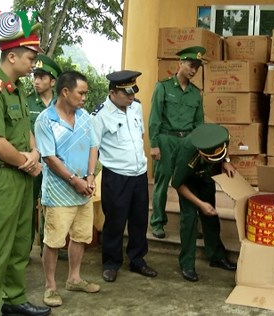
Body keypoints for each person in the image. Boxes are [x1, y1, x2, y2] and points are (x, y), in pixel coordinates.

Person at [0, 23, 51, 316]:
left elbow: (25, 131)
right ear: (12, 57)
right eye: (30, 58)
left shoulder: (15, 89)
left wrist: (33, 153)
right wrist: (28, 162)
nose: (33, 64)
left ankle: (14, 300)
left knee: (20, 245)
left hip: (20, 177)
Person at [35, 70, 100, 307]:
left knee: (81, 236)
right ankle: (50, 287)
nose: (84, 98)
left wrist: (91, 176)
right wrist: (75, 180)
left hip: (84, 191)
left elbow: (93, 146)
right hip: (59, 194)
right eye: (80, 93)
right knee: (53, 241)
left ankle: (74, 278)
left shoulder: (85, 117)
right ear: (65, 92)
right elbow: (50, 158)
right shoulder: (45, 119)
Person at [91, 70, 157, 282]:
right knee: (115, 221)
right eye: (127, 92)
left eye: (133, 91)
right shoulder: (100, 115)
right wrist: (90, 175)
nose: (131, 96)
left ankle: (137, 260)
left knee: (139, 220)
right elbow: (94, 147)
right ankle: (111, 263)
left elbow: (139, 136)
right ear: (113, 92)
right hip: (116, 176)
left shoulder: (136, 107)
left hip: (139, 174)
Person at [148, 46, 206, 239]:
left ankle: (190, 223)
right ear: (180, 63)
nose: (193, 70)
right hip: (166, 139)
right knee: (162, 182)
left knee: (188, 182)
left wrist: (200, 146)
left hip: (188, 142)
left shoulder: (196, 93)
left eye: (197, 67)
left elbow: (199, 123)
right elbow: (154, 118)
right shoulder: (163, 87)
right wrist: (154, 144)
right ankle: (157, 222)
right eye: (191, 65)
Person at [171, 123, 237, 282]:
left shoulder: (220, 136)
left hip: (206, 176)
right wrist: (200, 204)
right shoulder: (188, 152)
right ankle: (187, 264)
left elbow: (224, 149)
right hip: (188, 181)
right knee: (189, 220)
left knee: (211, 216)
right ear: (201, 153)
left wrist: (226, 161)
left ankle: (216, 256)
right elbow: (178, 184)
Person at [27, 54, 62, 254]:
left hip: (55, 163)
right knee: (29, 205)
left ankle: (49, 246)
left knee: (51, 205)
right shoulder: (27, 101)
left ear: (53, 81)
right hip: (33, 163)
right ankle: (26, 246)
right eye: (35, 76)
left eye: (41, 77)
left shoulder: (62, 104)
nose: (36, 81)